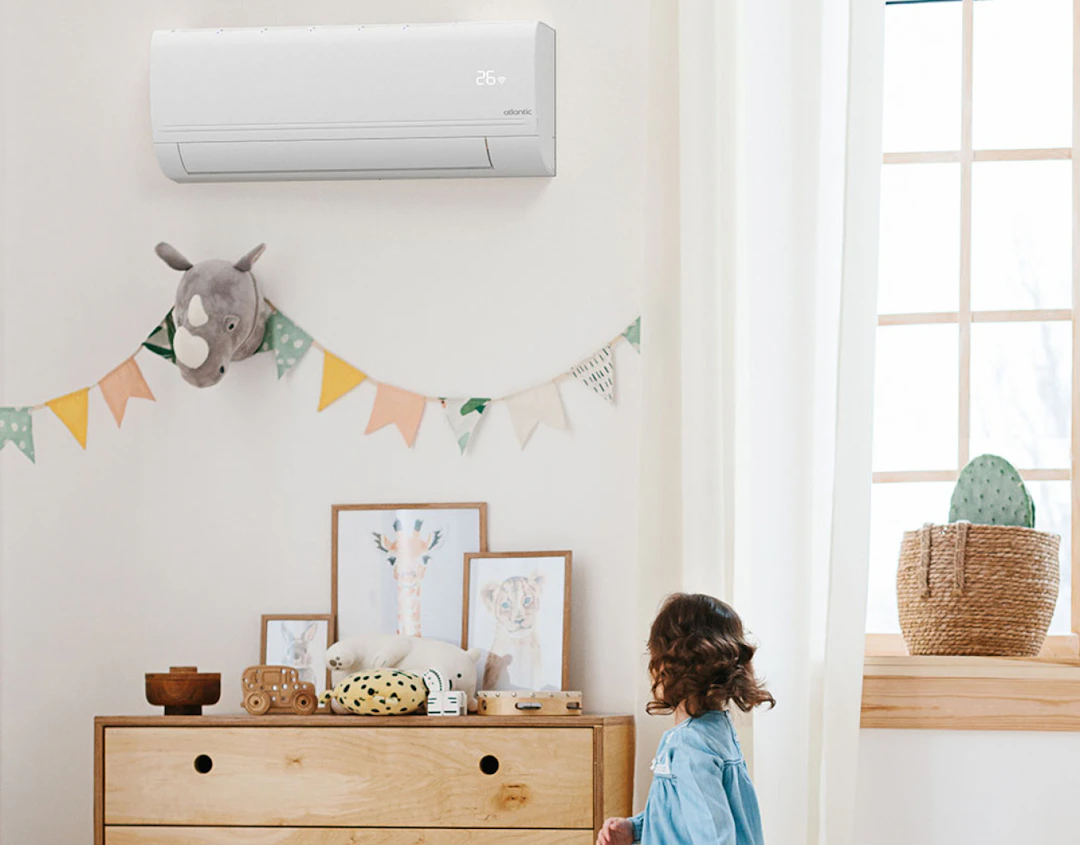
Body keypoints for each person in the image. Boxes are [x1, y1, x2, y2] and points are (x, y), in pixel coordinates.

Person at [597, 593, 773, 845]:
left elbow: (714, 836)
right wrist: (634, 829)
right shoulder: (717, 730)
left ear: (666, 666)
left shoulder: (688, 745)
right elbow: (683, 814)